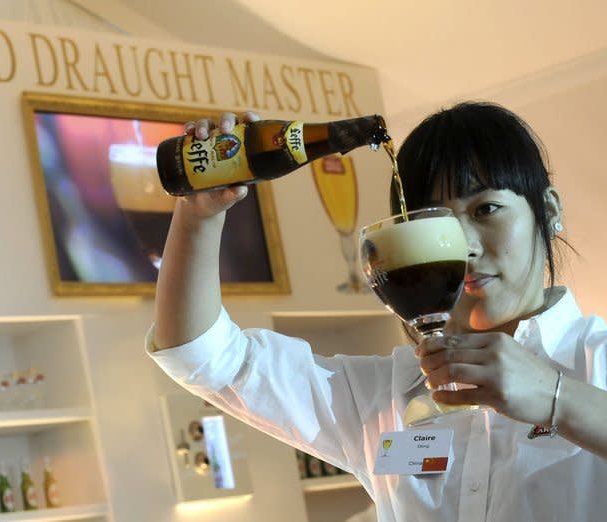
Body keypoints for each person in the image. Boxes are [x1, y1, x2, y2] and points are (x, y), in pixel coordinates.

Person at [146, 102, 607, 521]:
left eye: (486, 208)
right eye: (432, 221)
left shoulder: (596, 361)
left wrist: (556, 397)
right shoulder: (384, 397)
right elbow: (200, 354)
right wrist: (199, 214)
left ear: (547, 210)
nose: (462, 245)